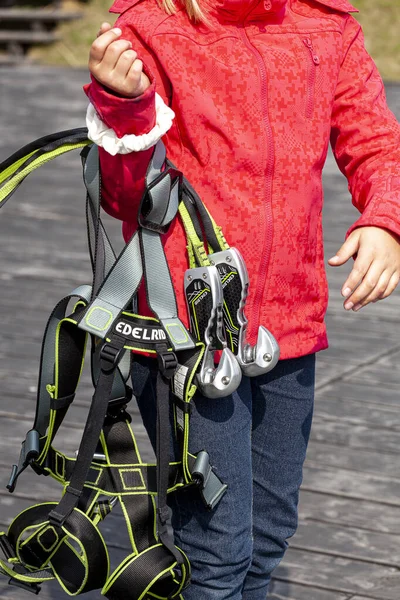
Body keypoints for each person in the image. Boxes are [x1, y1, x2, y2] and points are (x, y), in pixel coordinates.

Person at [85, 0, 400, 597]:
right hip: (186, 330)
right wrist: (122, 105)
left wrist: (384, 219)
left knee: (272, 533)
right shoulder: (152, 27)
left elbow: (379, 143)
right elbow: (123, 199)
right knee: (216, 553)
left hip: (291, 323)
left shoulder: (327, 25)